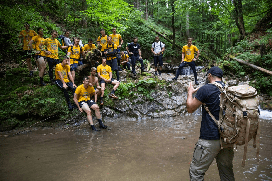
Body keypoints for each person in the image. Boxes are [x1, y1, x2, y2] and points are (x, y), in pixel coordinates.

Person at [186, 66, 234, 181]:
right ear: (221, 77)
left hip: (209, 139)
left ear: (209, 75)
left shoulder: (206, 89)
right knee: (226, 172)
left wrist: (190, 93)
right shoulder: (230, 90)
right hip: (227, 139)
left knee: (196, 172)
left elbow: (190, 108)